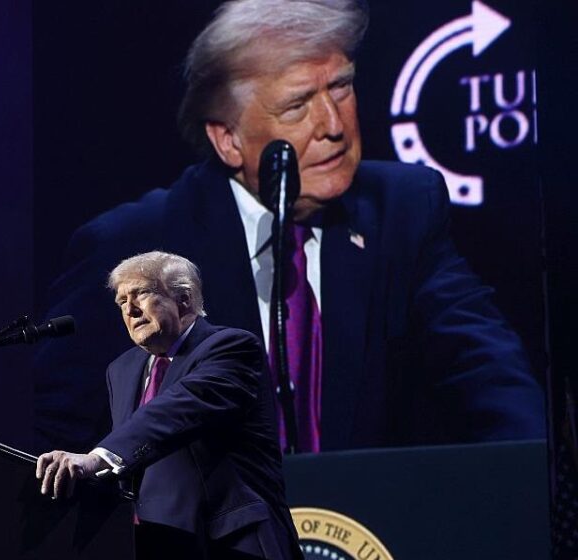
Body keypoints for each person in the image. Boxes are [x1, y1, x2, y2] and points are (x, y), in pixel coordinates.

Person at [34, 0, 545, 454]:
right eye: (297, 105)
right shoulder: (133, 247)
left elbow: (486, 370)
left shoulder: (402, 210)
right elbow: (62, 440)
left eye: (341, 87)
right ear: (228, 139)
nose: (333, 125)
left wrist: (532, 479)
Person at [37, 252, 301, 560]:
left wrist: (98, 458)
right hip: (155, 544)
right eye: (122, 302)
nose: (130, 310)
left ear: (184, 298)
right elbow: (133, 462)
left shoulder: (231, 347)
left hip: (232, 541)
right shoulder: (121, 370)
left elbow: (178, 409)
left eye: (141, 294)